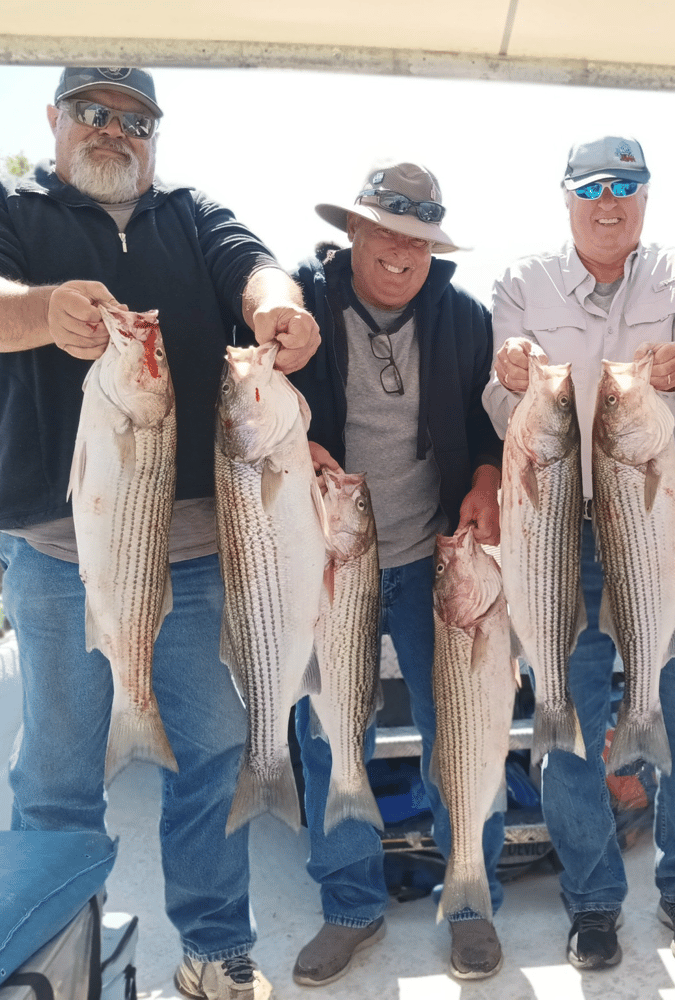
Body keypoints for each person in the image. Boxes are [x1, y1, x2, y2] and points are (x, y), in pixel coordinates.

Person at [0, 67, 320, 1000]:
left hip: (205, 552)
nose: (114, 130)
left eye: (134, 119)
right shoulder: (17, 210)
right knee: (58, 780)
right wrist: (34, 310)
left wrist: (277, 307)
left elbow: (254, 264)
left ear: (156, 136)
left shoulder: (191, 211)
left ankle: (215, 949)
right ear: (54, 122)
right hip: (61, 555)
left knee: (215, 759)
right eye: (93, 113)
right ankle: (43, 959)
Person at [483, 135, 675, 971]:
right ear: (567, 198)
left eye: (626, 185)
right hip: (555, 533)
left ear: (647, 194)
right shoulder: (521, 282)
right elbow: (496, 405)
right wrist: (510, 378)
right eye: (592, 187)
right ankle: (592, 903)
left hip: (663, 527)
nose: (610, 200)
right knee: (568, 727)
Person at [287, 161, 504, 983]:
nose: (400, 253)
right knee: (329, 732)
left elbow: (490, 438)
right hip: (332, 559)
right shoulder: (300, 306)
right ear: (352, 231)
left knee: (464, 731)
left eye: (418, 240)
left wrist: (484, 482)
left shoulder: (466, 319)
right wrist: (291, 450)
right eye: (384, 231)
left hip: (429, 557)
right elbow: (253, 409)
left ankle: (471, 900)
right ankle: (349, 907)